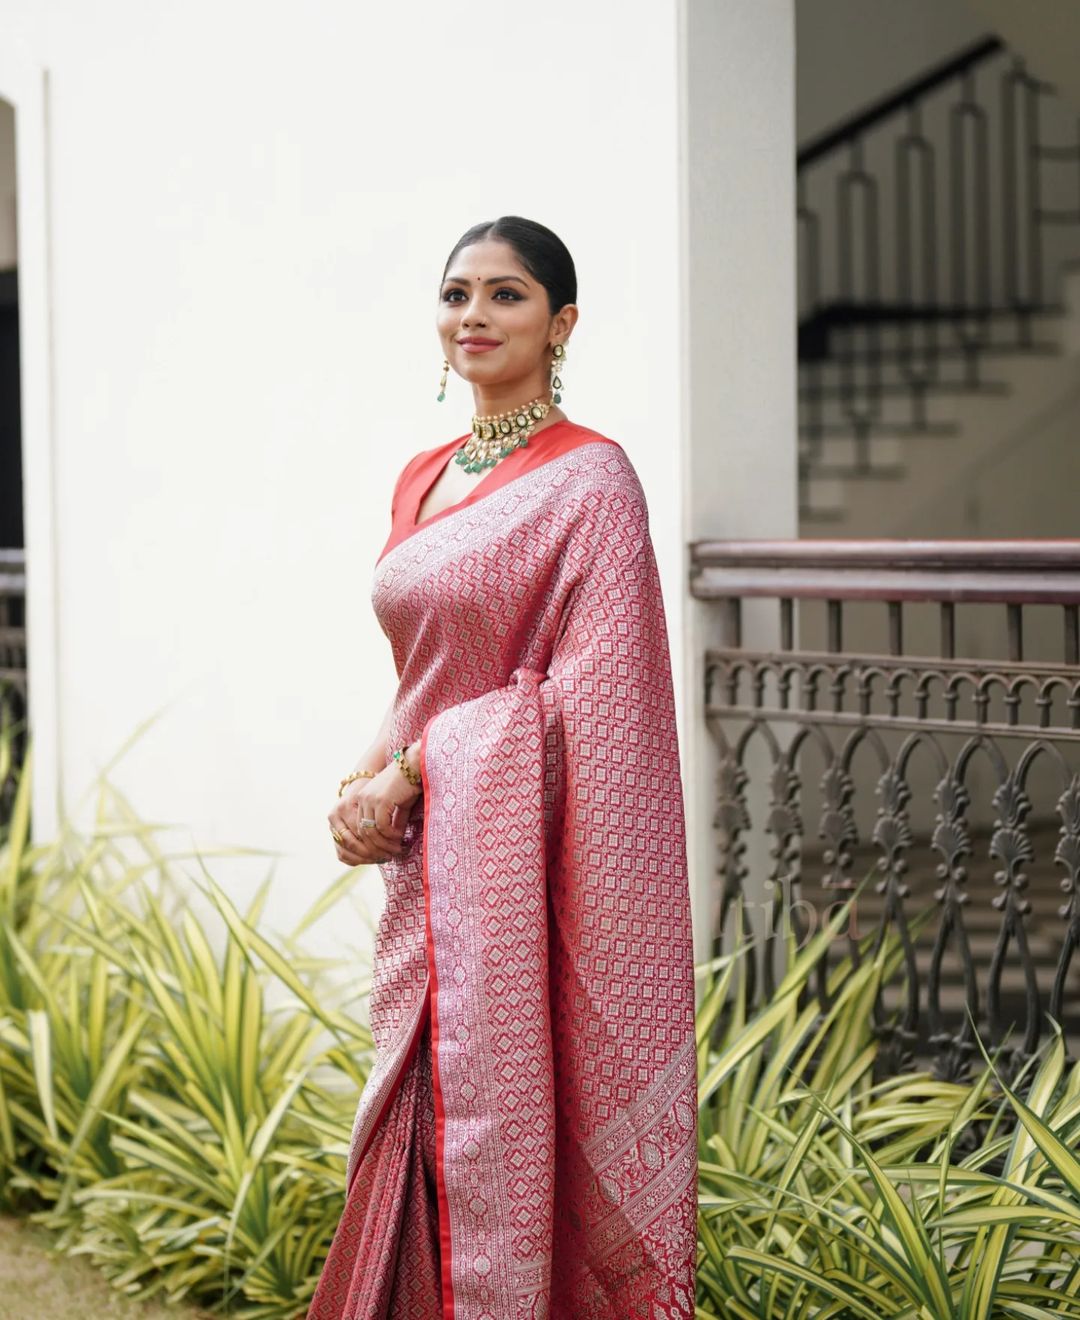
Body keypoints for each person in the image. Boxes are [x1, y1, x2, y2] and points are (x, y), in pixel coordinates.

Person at [308, 216, 697, 1319]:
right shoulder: (422, 475)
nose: (473, 315)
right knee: (409, 1119)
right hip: (431, 863)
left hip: (516, 869)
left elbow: (592, 704)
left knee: (505, 1121)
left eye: (507, 295)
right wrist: (361, 783)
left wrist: (416, 772)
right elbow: (426, 669)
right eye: (456, 294)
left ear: (561, 322)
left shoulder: (592, 483)